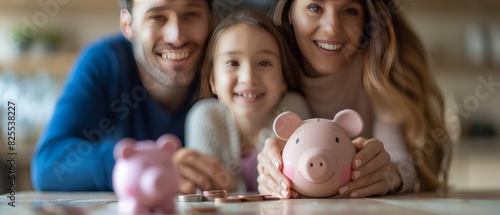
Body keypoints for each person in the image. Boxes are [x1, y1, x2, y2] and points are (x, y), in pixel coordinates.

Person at [257, 0, 452, 198]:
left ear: (366, 18)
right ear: (290, 12)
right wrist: (269, 169)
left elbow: (405, 159)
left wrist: (390, 173)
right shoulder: (265, 69)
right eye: (314, 8)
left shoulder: (381, 71)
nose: (332, 28)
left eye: (350, 11)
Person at [31, 0, 228, 193]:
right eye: (157, 17)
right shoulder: (104, 62)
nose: (176, 37)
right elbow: (49, 165)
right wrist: (146, 164)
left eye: (191, 14)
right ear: (128, 25)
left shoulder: (234, 65)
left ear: (211, 20)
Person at [185, 10, 311, 193]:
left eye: (264, 63)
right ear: (213, 80)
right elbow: (206, 193)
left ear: (283, 78)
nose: (249, 78)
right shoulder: (205, 117)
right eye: (233, 63)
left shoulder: (292, 109)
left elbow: (304, 184)